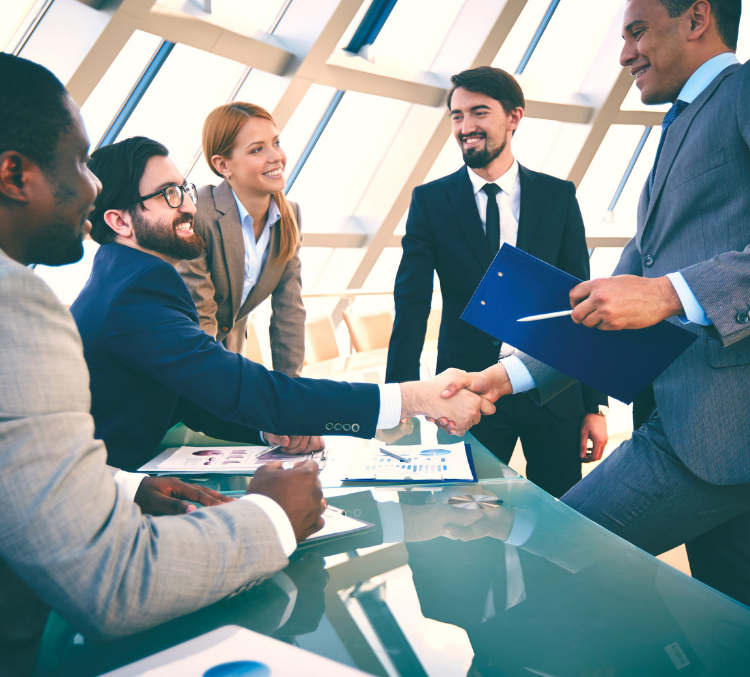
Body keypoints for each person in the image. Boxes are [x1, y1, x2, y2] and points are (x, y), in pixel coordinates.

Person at [0, 52, 330, 677]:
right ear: (14, 174)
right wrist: (270, 516)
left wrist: (125, 487)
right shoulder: (19, 304)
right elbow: (113, 583)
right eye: (76, 161)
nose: (92, 185)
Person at [442, 0, 750, 605]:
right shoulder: (678, 128)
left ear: (698, 20)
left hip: (708, 436)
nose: (624, 54)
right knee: (731, 620)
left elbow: (654, 293)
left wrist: (669, 293)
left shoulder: (743, 94)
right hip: (700, 434)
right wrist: (506, 377)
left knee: (554, 552)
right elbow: (602, 308)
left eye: (637, 31)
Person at [70, 136, 494, 469]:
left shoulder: (127, 279)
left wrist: (267, 431)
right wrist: (414, 397)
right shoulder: (137, 293)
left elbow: (190, 396)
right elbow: (241, 387)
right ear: (120, 220)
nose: (188, 205)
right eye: (168, 195)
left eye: (184, 189)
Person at [386, 66, 608, 497]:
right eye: (456, 116)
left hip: (552, 388)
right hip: (466, 390)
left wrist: (593, 404)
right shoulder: (430, 201)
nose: (465, 127)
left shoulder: (557, 196)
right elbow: (410, 303)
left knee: (561, 527)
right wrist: (402, 399)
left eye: (479, 113)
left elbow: (581, 301)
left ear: (514, 117)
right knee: (463, 518)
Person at [179, 103, 304, 374]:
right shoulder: (198, 214)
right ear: (223, 165)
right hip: (185, 363)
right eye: (257, 149)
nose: (276, 157)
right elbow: (201, 318)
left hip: (229, 359)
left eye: (276, 142)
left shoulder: (289, 215)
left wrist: (292, 392)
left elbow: (289, 313)